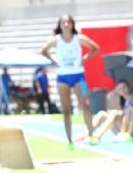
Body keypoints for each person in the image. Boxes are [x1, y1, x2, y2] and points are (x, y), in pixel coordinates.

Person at [41, 14, 100, 148]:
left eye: (68, 22)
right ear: (60, 25)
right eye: (63, 22)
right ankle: (69, 141)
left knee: (85, 105)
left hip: (79, 76)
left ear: (72, 24)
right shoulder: (55, 40)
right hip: (62, 78)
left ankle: (91, 135)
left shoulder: (79, 39)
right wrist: (54, 60)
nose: (66, 25)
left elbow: (95, 48)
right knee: (66, 110)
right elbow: (43, 50)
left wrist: (84, 59)